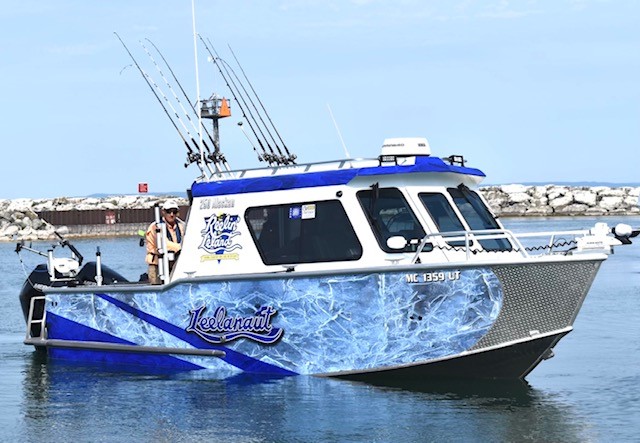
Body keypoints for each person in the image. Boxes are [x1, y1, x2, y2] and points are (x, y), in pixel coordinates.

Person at [145, 200, 186, 284]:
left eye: (174, 212)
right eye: (168, 212)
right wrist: (183, 247)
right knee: (156, 288)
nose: (171, 215)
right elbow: (164, 244)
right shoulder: (155, 227)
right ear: (163, 212)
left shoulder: (181, 225)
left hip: (175, 264)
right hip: (157, 264)